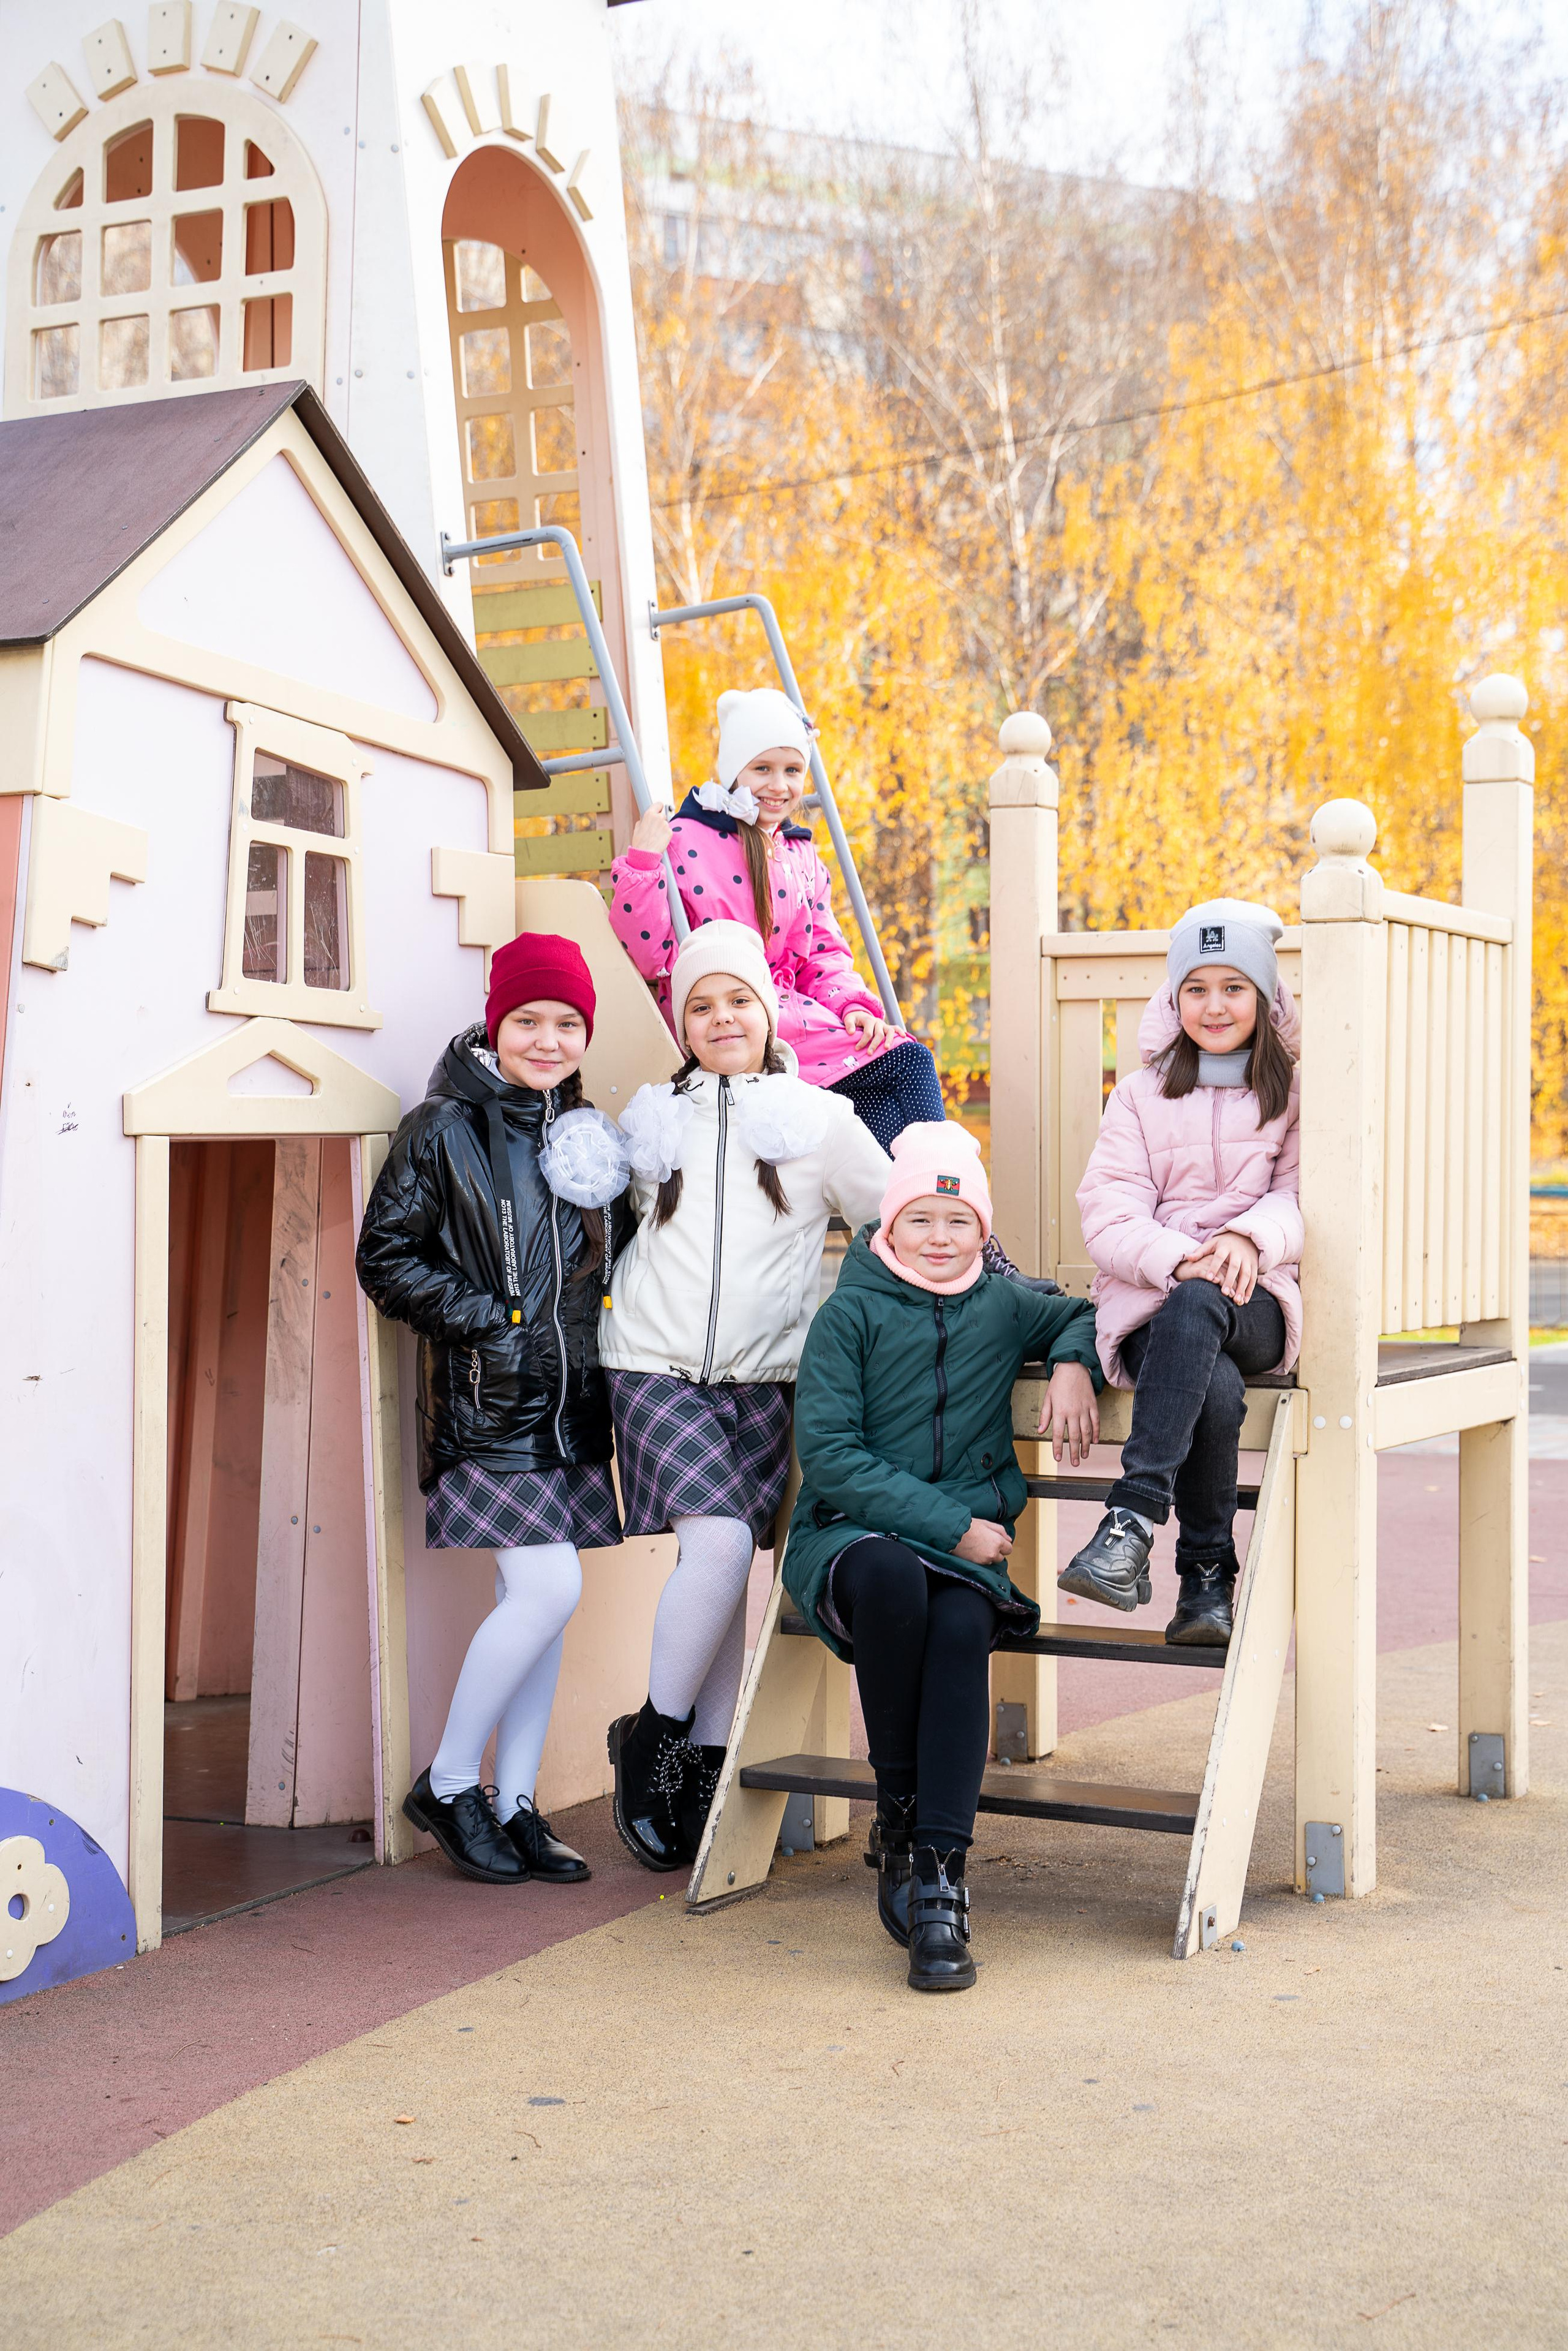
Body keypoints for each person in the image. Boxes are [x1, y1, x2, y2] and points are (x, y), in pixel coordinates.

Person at [782, 1121, 1103, 1994]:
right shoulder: (849, 1312)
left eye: (958, 1222)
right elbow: (833, 1455)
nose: (939, 1237)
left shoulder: (1001, 1305)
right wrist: (952, 1526)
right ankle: (895, 1806)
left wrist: (1073, 1362)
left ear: (983, 1233)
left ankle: (938, 1873)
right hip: (853, 1533)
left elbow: (1081, 1311)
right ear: (890, 1223)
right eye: (922, 1217)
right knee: (892, 1579)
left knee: (962, 1621)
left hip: (965, 1552)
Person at [601, 918, 892, 1873]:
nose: (722, 1017)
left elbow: (897, 1219)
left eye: (738, 999)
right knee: (721, 1544)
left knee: (732, 1579)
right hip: (651, 1361)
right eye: (701, 1003)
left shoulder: (819, 1121)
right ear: (681, 1019)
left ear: (768, 1010)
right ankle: (651, 1742)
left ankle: (709, 1771)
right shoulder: (651, 1118)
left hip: (765, 1375)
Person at [356, 933, 631, 1887]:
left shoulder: (589, 1132)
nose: (548, 1040)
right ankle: (448, 1782)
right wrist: (494, 1322)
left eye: (567, 1023)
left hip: (573, 1411)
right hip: (488, 1408)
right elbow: (384, 1257)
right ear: (496, 1023)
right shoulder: (441, 1128)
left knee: (540, 1608)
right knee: (550, 1590)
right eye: (529, 1021)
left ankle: (517, 1804)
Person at [1063, 899, 1303, 1646]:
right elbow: (1108, 1210)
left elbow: (1306, 1195)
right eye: (1196, 988)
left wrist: (1249, 1237)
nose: (1214, 1005)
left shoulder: (1293, 1091)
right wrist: (1177, 1260)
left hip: (1257, 1297)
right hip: (1151, 1305)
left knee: (1208, 1307)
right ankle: (1205, 1581)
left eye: (1234, 987)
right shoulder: (1138, 1095)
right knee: (1218, 1388)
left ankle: (1129, 1518)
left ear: (1264, 999)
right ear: (1173, 1000)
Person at [606, 685, 946, 1149]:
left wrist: (853, 1006)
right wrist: (644, 864)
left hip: (792, 1011)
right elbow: (649, 955)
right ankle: (930, 1196)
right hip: (730, 1010)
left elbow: (823, 954)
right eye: (762, 769)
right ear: (733, 772)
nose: (779, 786)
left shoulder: (799, 853)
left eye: (792, 771)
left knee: (882, 1089)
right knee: (907, 1066)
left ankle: (903, 1210)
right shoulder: (686, 838)